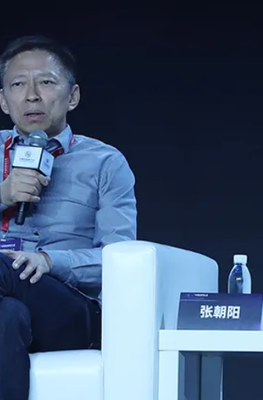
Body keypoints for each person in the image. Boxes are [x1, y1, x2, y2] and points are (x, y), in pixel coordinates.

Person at [0, 35, 136, 400]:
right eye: (18, 85)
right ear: (3, 100)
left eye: (45, 82)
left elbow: (119, 260)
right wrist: (3, 195)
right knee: (7, 315)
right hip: (10, 302)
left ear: (72, 96)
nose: (32, 96)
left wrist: (49, 261)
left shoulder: (105, 163)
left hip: (70, 311)